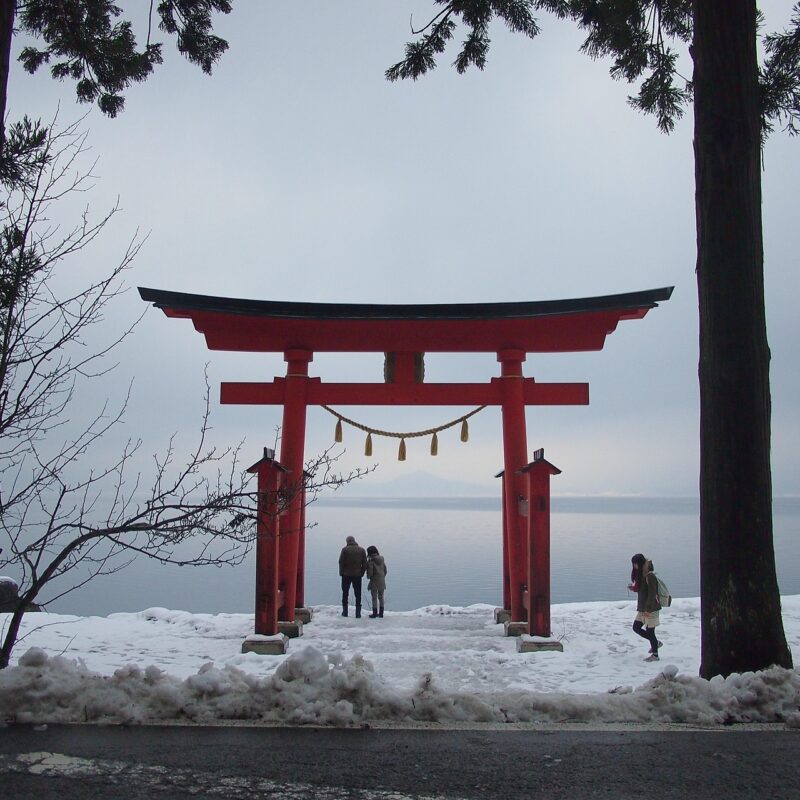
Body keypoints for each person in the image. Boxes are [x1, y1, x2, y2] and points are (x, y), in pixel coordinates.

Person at [628, 553, 662, 661]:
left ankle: (655, 655)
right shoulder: (641, 575)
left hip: (650, 609)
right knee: (636, 627)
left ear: (640, 563)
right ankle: (655, 643)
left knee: (650, 631)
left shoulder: (649, 576)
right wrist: (633, 588)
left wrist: (648, 610)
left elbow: (652, 594)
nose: (634, 566)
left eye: (635, 564)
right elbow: (643, 590)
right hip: (643, 608)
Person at [339, 535, 368, 618]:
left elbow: (341, 562)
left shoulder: (344, 549)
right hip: (357, 575)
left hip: (346, 575)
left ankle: (345, 612)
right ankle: (358, 614)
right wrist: (361, 573)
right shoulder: (362, 550)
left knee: (345, 593)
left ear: (347, 541)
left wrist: (341, 573)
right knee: (358, 594)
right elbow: (365, 564)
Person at [366, 545, 388, 618]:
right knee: (381, 597)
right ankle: (381, 613)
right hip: (382, 581)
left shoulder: (371, 561)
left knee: (374, 598)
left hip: (374, 582)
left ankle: (374, 613)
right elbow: (385, 570)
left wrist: (368, 576)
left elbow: (370, 574)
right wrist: (382, 576)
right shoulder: (382, 559)